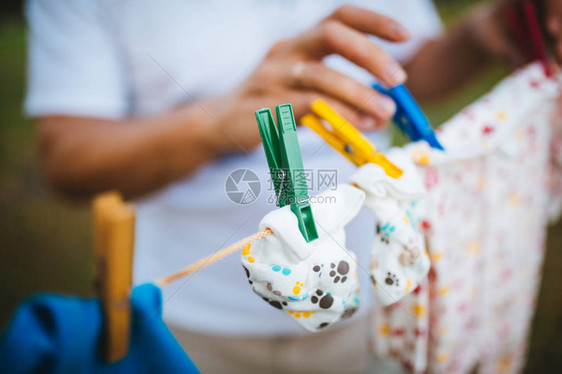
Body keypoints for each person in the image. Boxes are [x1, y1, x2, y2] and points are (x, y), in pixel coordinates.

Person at [25, 0, 561, 372]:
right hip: (184, 324)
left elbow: (400, 74)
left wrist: (476, 35)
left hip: (376, 308)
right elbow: (68, 161)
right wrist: (211, 126)